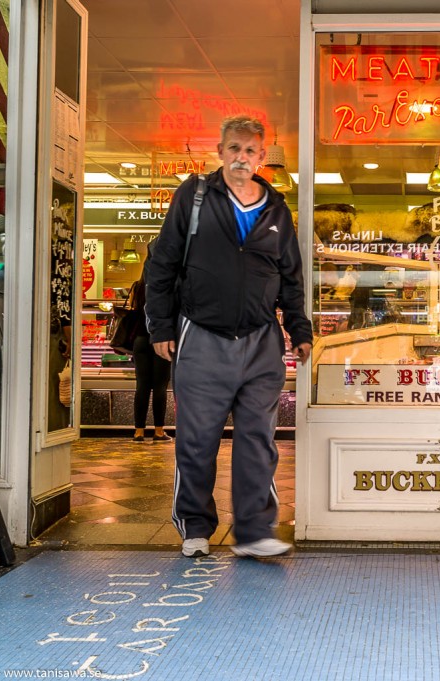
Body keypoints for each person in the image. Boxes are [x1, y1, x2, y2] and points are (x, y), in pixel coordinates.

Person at [144, 115, 313, 559]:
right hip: (201, 335)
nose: (242, 157)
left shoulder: (276, 209)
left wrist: (299, 329)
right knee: (197, 439)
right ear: (220, 151)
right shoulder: (194, 196)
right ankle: (195, 526)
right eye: (234, 148)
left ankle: (255, 531)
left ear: (262, 157)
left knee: (258, 440)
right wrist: (160, 325)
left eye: (251, 150)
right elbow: (161, 264)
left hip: (261, 341)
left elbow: (291, 277)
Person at [129, 239, 172, 443]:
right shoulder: (165, 288)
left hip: (139, 339)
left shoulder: (138, 287)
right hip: (160, 339)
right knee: (161, 386)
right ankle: (158, 430)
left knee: (142, 385)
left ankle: (138, 432)